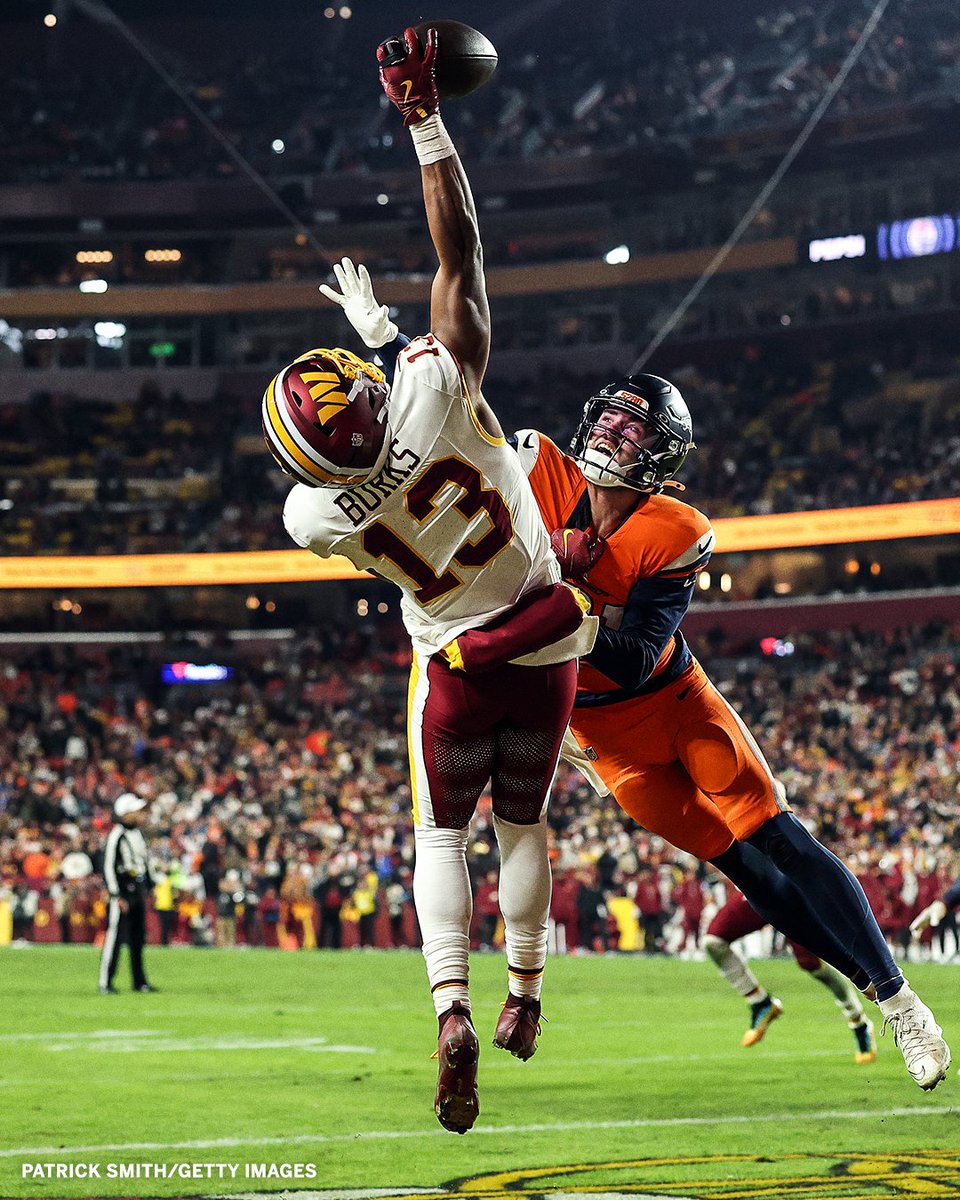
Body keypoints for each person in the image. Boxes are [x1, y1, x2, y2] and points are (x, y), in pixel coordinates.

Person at [331, 268, 951, 1093]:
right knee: (746, 873)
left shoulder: (675, 529)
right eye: (612, 422)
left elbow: (634, 650)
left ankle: (898, 999)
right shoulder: (533, 467)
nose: (616, 439)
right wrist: (386, 337)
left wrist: (561, 607)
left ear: (660, 453)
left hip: (671, 707)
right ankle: (876, 989)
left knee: (781, 840)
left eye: (634, 431)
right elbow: (450, 403)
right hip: (601, 742)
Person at [261, 25, 597, 1135]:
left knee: (438, 837)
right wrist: (424, 117)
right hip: (544, 635)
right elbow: (464, 262)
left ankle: (450, 1004)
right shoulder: (428, 383)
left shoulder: (312, 514)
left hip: (449, 661)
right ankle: (527, 993)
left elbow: (360, 457)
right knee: (528, 823)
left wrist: (382, 357)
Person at [703, 889, 877, 1063]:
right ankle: (759, 1002)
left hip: (792, 892)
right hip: (757, 888)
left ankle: (858, 1021)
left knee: (813, 965)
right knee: (713, 941)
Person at [99, 793, 157, 994]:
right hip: (123, 892)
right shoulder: (117, 834)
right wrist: (116, 895)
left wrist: (151, 886)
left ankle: (139, 981)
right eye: (137, 810)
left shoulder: (138, 834)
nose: (141, 814)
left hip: (137, 891)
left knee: (137, 938)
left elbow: (144, 863)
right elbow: (108, 866)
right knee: (114, 937)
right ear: (126, 813)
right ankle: (106, 982)